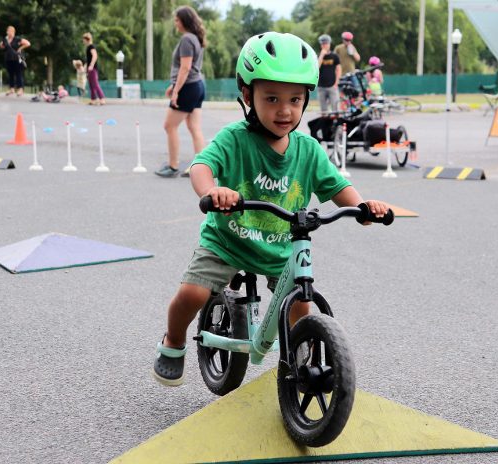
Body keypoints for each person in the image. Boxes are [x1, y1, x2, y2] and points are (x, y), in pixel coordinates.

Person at [152, 32, 390, 386]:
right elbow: (202, 166)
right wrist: (213, 190)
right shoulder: (235, 139)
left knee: (301, 307)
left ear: (307, 99)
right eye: (272, 98)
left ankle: (298, 365)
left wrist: (362, 208)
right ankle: (173, 341)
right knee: (192, 294)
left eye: (295, 99)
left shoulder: (308, 150)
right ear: (248, 95)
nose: (285, 110)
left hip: (281, 250)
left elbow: (337, 187)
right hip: (227, 240)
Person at [155, 5, 207, 178]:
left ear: (184, 20)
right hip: (198, 85)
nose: (175, 23)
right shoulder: (196, 38)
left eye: (177, 20)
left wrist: (176, 90)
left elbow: (185, 68)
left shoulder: (186, 39)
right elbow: (190, 68)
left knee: (169, 126)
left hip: (188, 87)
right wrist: (174, 85)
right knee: (194, 127)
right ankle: (201, 167)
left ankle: (173, 166)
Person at [0, 26, 30, 97]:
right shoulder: (5, 39)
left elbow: (28, 43)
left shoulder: (17, 39)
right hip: (8, 59)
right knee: (10, 74)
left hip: (16, 59)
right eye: (8, 31)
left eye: (11, 31)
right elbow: (1, 45)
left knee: (19, 74)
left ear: (13, 32)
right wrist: (4, 45)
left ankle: (20, 89)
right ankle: (11, 89)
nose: (9, 33)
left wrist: (20, 48)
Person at [316, 34, 340, 114]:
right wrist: (322, 55)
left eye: (326, 43)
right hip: (321, 86)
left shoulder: (334, 56)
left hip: (332, 86)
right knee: (324, 110)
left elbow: (338, 70)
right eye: (323, 44)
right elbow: (316, 68)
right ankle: (325, 125)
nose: (324, 45)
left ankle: (336, 124)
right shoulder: (318, 56)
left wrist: (336, 83)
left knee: (335, 108)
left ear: (329, 44)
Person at [82, 33, 106, 105]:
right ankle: (93, 99)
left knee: (95, 84)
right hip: (89, 68)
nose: (83, 42)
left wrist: (91, 65)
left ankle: (102, 98)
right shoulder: (88, 47)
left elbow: (95, 56)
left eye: (84, 40)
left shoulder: (91, 47)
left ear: (87, 40)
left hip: (93, 68)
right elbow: (88, 59)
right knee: (91, 84)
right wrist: (86, 66)